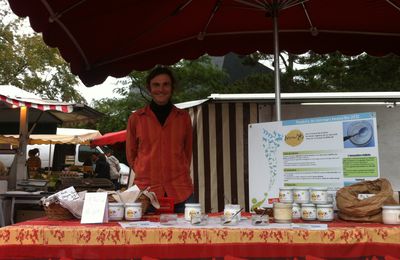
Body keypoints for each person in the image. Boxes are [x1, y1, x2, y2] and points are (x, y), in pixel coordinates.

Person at [126, 66, 194, 213]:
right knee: (146, 236)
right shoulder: (136, 119)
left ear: (172, 87)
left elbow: (187, 152)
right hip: (146, 193)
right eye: (156, 85)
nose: (161, 89)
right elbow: (131, 155)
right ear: (149, 88)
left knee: (185, 235)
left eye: (165, 84)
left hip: (181, 191)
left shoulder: (183, 118)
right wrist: (143, 170)